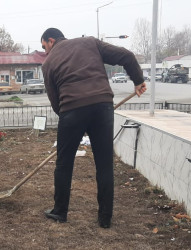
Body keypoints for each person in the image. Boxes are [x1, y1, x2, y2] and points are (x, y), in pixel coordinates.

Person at [40, 28, 147, 228]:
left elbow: (56, 103)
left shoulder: (48, 63)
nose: (45, 51)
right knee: (104, 164)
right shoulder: (90, 42)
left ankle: (60, 212)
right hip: (102, 106)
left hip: (71, 110)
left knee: (64, 164)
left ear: (51, 40)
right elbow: (126, 56)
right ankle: (105, 218)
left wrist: (70, 120)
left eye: (44, 46)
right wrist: (138, 81)